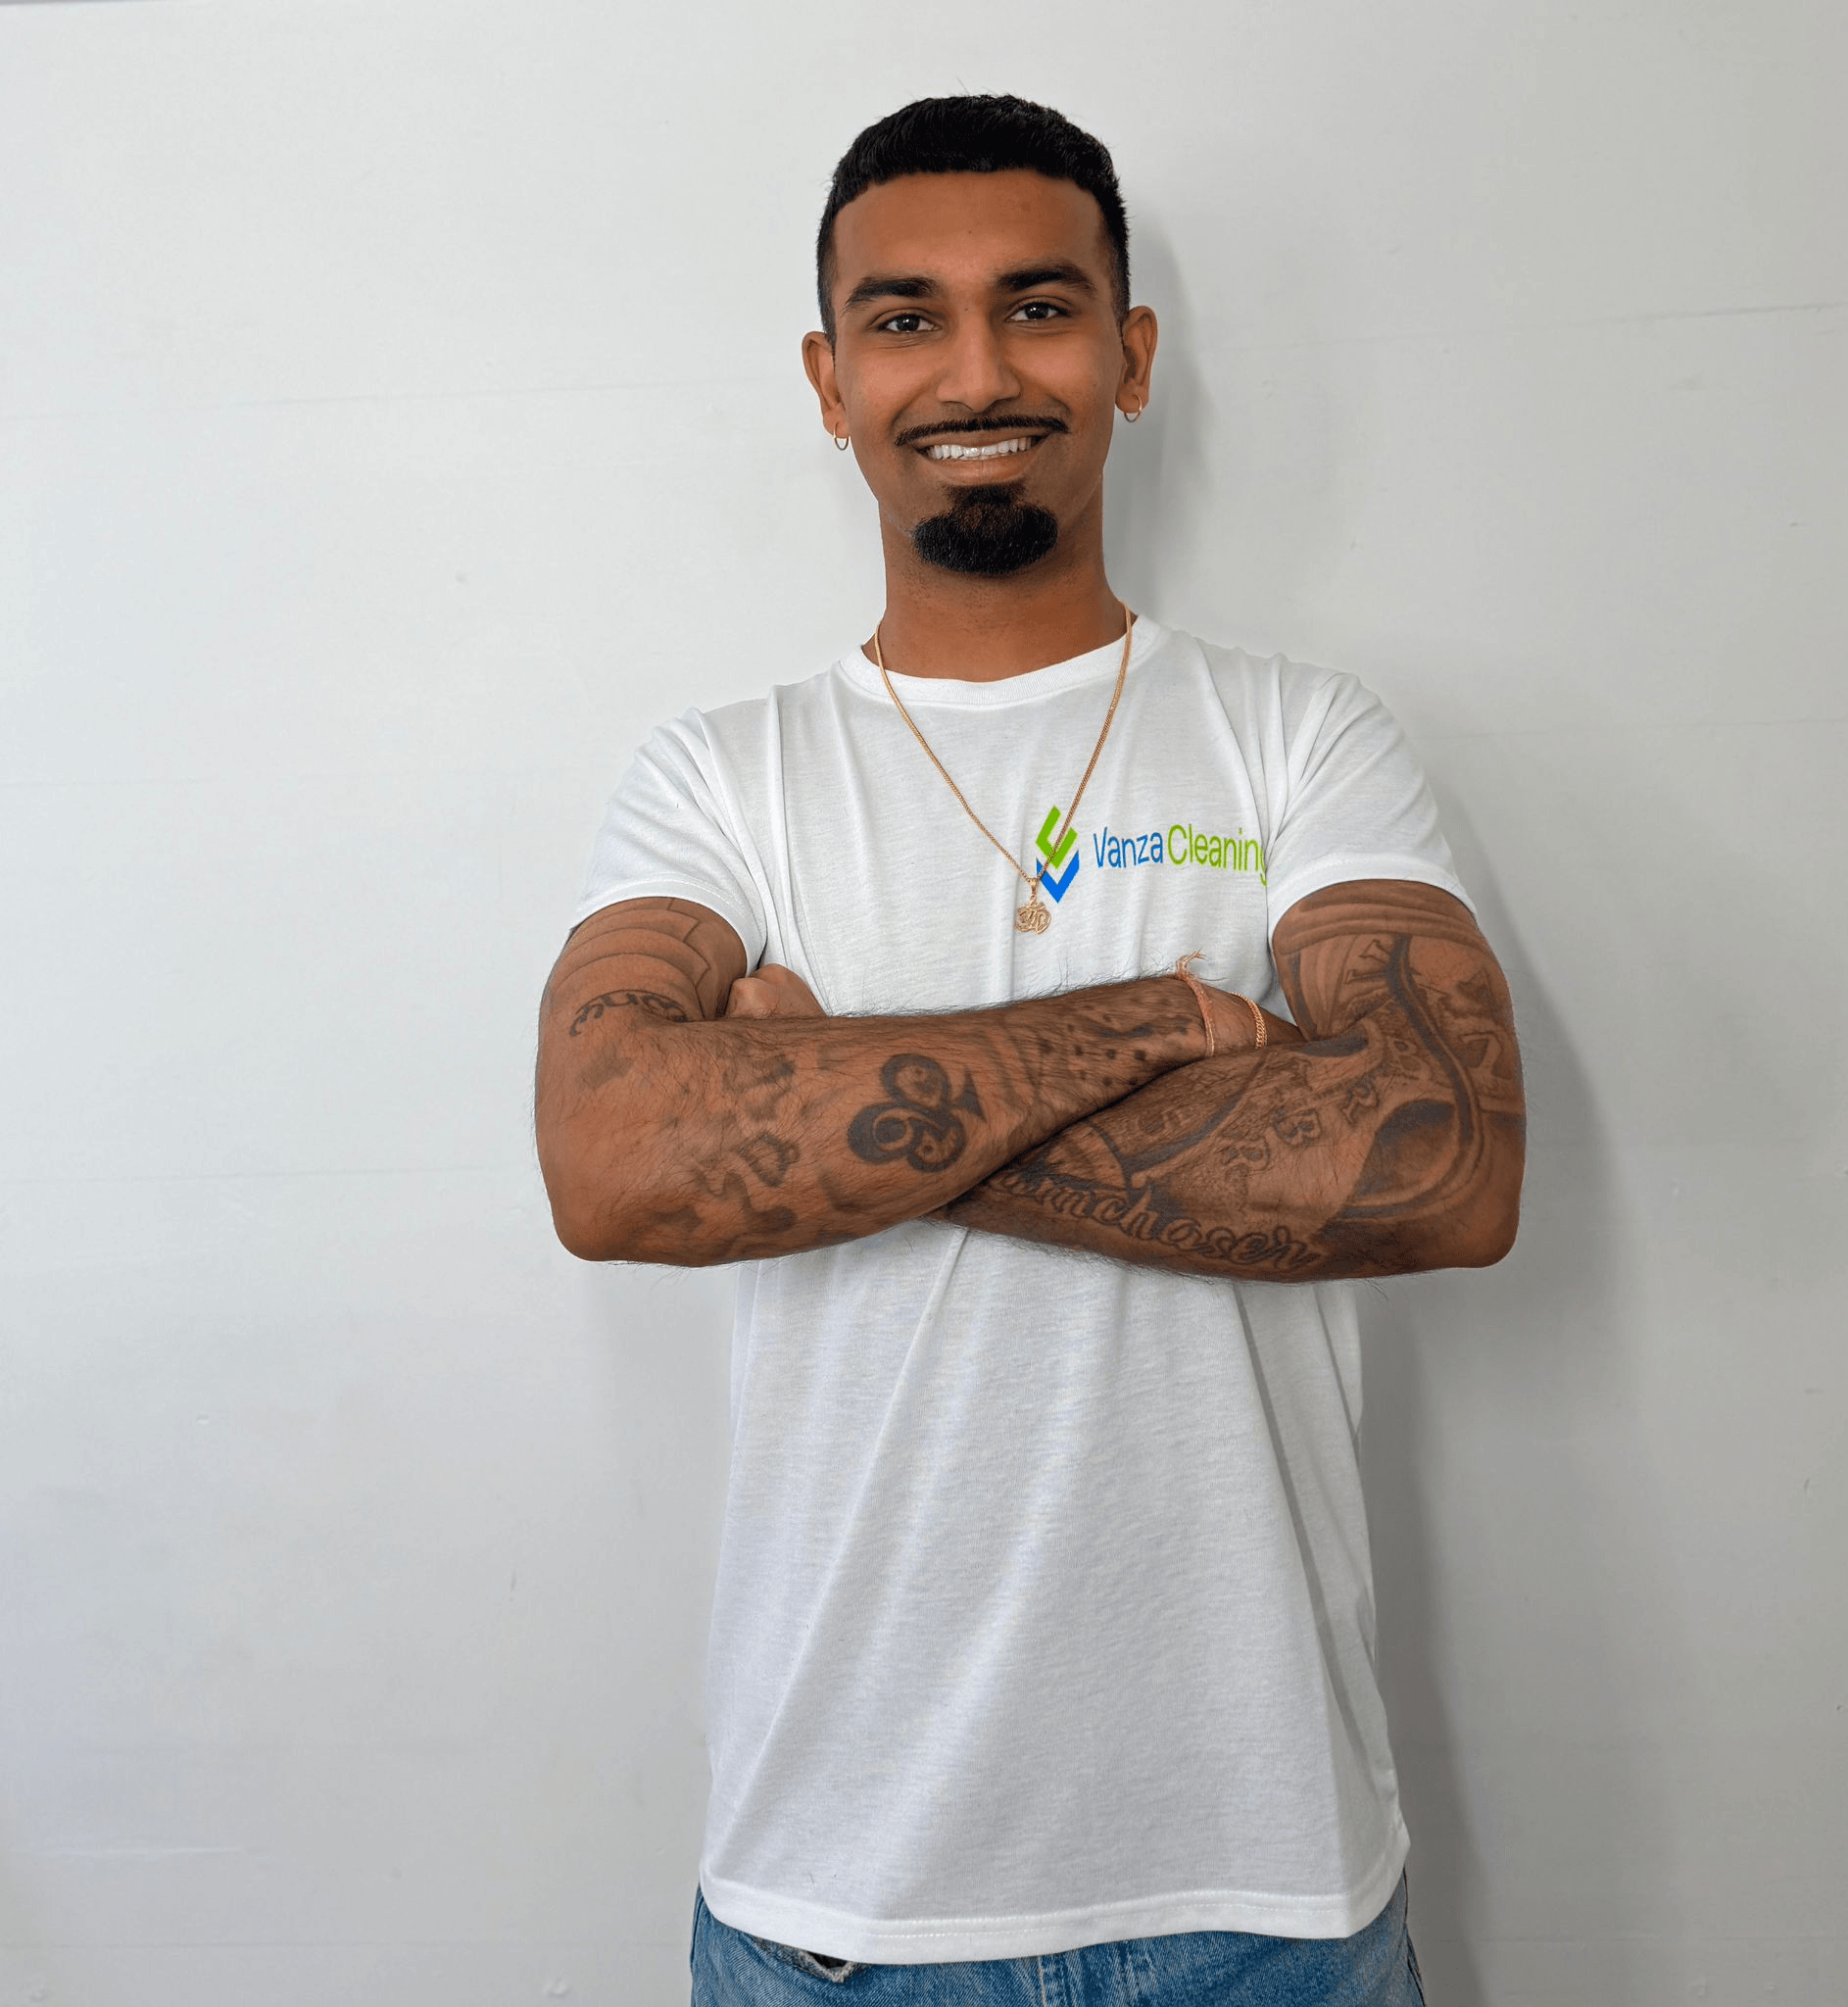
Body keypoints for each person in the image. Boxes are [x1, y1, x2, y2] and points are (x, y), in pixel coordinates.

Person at [535, 94, 1523, 2007]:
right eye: (905, 318)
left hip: (1269, 1895)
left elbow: (1441, 1156)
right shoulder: (719, 781)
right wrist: (1160, 1028)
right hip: (842, 1900)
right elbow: (612, 1156)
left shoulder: (1300, 741)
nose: (974, 369)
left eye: (1039, 308)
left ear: (1129, 357)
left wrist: (831, 1112)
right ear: (828, 381)